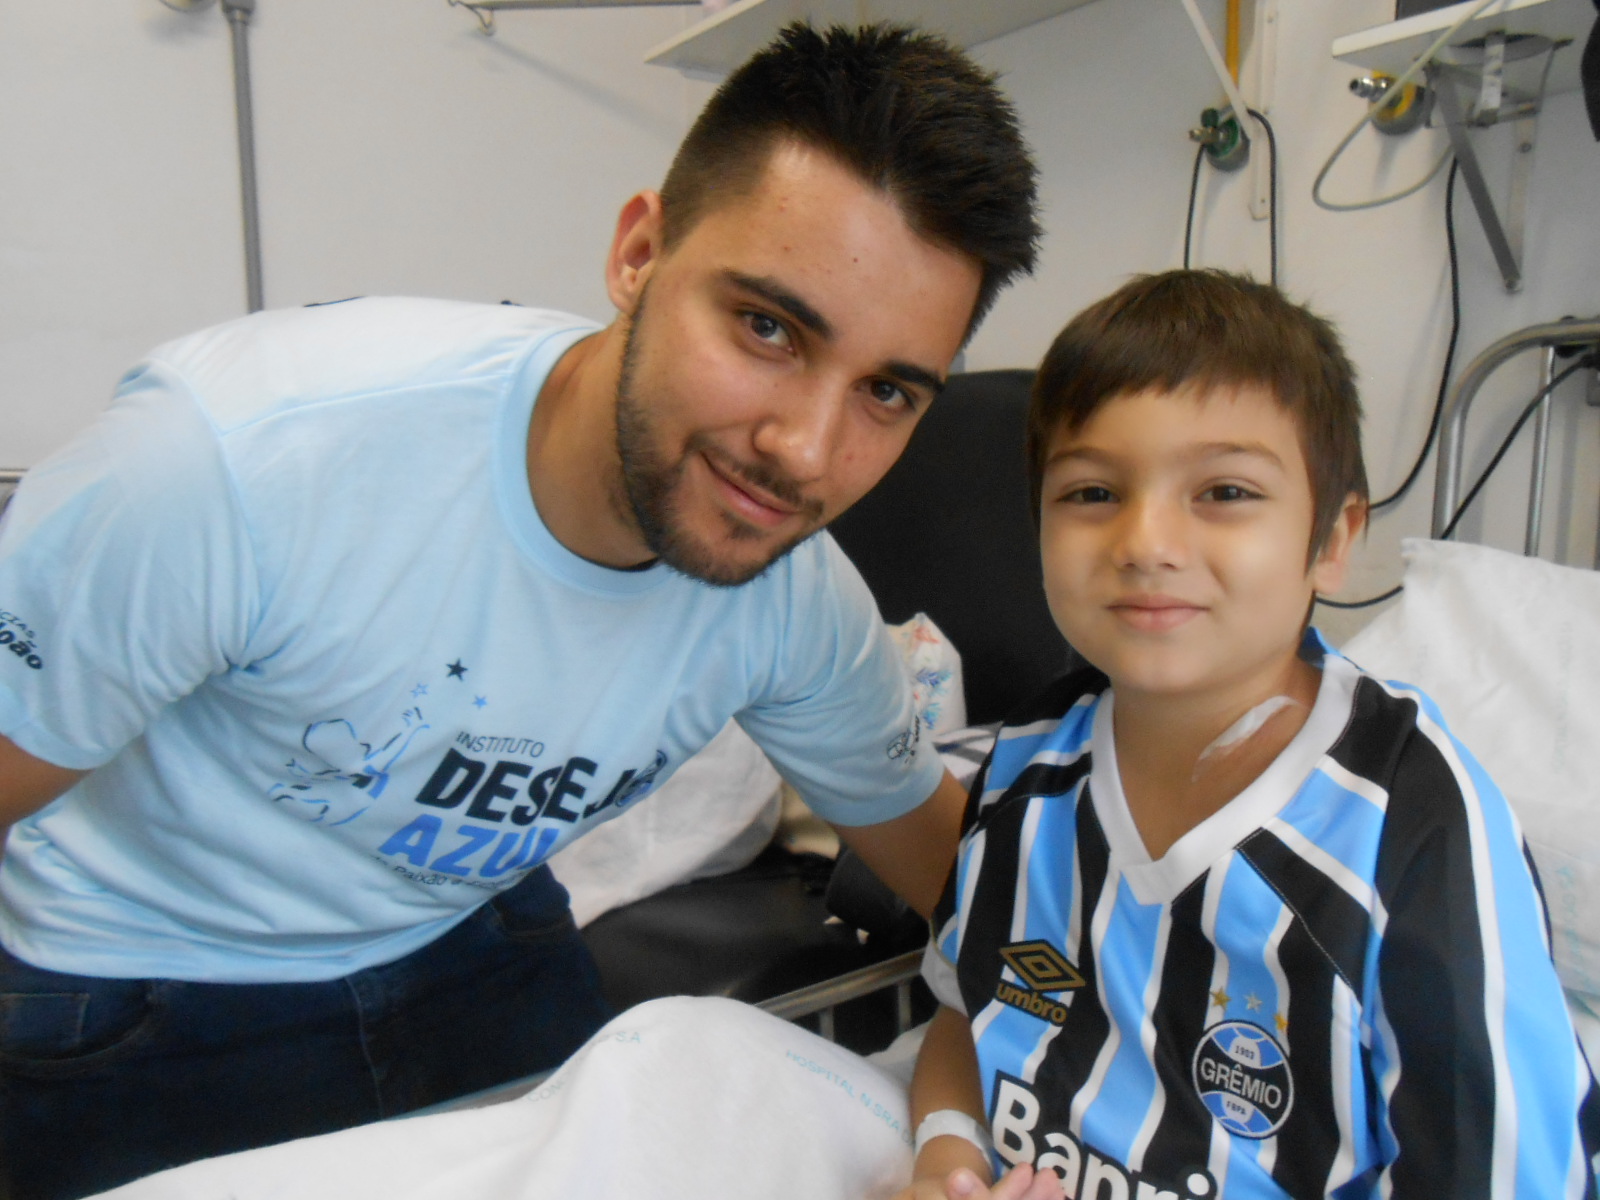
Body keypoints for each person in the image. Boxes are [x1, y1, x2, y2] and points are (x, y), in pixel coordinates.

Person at [0, 22, 1042, 1200]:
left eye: (887, 391)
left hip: (472, 944)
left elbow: (974, 892)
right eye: (766, 328)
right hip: (143, 983)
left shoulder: (794, 600)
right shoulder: (234, 466)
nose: (802, 453)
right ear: (638, 252)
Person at [896, 270, 1600, 1200]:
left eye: (1224, 490)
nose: (1145, 541)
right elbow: (962, 1015)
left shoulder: (1410, 826)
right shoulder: (1026, 770)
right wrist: (945, 1163)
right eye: (1093, 492)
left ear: (1334, 538)